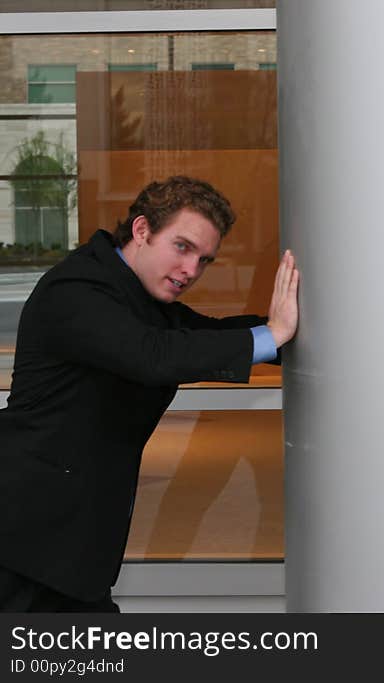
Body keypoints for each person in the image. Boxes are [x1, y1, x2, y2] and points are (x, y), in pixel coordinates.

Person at [0, 176, 299, 612]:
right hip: (20, 540)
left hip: (70, 549)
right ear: (141, 230)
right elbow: (152, 355)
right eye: (182, 247)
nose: (191, 271)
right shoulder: (77, 290)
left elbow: (206, 335)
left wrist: (298, 335)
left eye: (205, 260)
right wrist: (273, 334)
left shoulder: (140, 300)